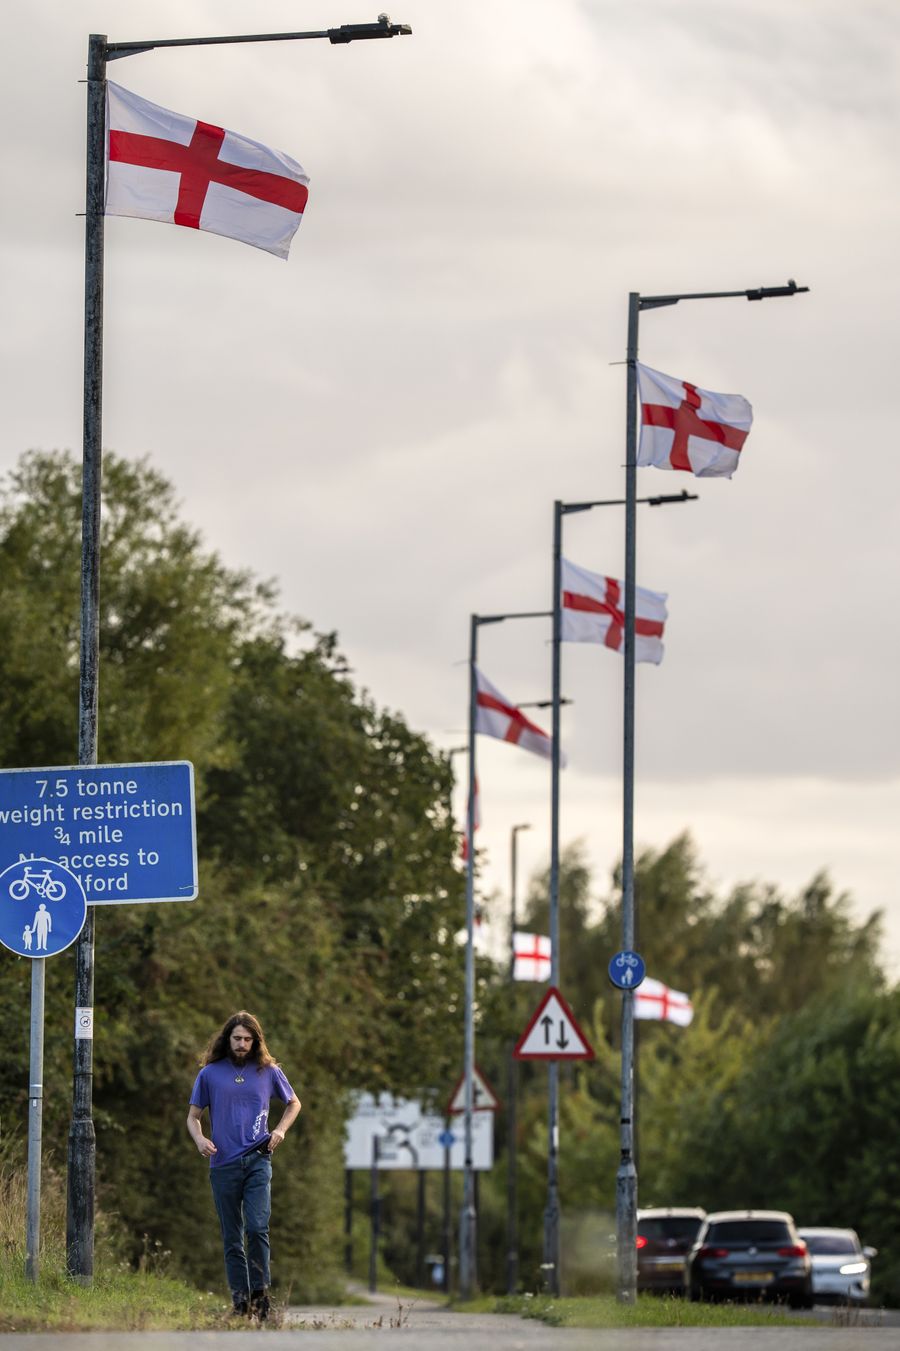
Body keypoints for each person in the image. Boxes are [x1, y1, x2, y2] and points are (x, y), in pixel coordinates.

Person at [187, 1011, 301, 1320]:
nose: (242, 1044)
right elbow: (193, 1117)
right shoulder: (209, 1074)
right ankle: (240, 1304)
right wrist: (200, 1140)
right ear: (228, 1039)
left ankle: (260, 1298)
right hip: (222, 1162)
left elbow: (294, 1102)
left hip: (258, 1158)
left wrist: (280, 1130)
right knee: (232, 1236)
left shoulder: (268, 1071)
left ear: (256, 1041)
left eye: (248, 1039)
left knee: (257, 1226)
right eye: (237, 1038)